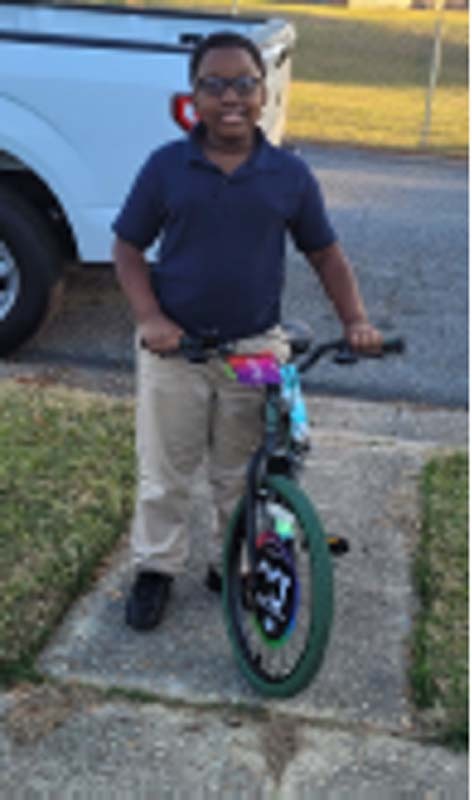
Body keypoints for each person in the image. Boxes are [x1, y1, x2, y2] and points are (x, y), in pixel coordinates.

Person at [112, 31, 382, 631]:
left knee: (243, 472)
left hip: (252, 350)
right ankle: (156, 568)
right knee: (166, 469)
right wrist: (151, 318)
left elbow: (327, 256)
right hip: (174, 350)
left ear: (263, 94)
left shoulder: (287, 174)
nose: (230, 96)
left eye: (244, 83)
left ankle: (232, 564)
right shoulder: (166, 167)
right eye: (214, 84)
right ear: (194, 96)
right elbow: (128, 248)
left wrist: (356, 321)